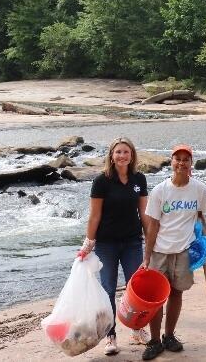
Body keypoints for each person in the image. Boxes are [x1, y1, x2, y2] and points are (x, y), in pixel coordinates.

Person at [78, 137, 150, 355]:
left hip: (132, 242)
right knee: (108, 289)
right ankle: (111, 335)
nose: (122, 156)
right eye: (118, 152)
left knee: (135, 288)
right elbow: (94, 216)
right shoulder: (102, 181)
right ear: (111, 155)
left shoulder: (139, 179)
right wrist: (88, 243)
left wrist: (151, 244)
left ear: (132, 155)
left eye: (126, 152)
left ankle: (137, 329)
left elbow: (144, 214)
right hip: (106, 244)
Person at [140, 144, 206, 360]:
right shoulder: (160, 190)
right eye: (177, 159)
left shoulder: (200, 189)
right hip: (160, 251)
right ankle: (154, 341)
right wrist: (147, 256)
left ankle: (169, 335)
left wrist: (203, 246)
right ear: (171, 162)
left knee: (177, 292)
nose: (181, 163)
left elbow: (200, 218)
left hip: (184, 250)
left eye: (185, 159)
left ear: (191, 164)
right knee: (155, 298)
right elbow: (153, 226)